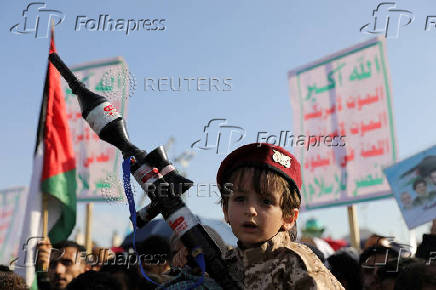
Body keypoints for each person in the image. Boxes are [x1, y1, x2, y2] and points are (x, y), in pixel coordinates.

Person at [216, 143, 344, 289]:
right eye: (240, 199)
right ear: (225, 211)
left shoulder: (296, 263)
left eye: (266, 201)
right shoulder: (224, 264)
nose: (250, 210)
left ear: (289, 217)